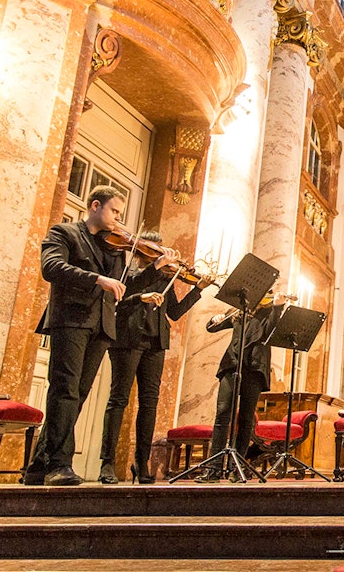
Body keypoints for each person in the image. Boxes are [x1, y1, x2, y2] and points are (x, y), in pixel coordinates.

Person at [26, 186, 176, 486]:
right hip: (71, 319)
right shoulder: (65, 233)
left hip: (102, 327)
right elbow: (52, 267)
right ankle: (59, 464)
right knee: (65, 390)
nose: (119, 220)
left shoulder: (114, 249)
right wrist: (96, 278)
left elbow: (126, 286)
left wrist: (156, 269)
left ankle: (39, 463)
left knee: (77, 393)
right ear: (95, 206)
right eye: (115, 212)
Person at [99, 232, 212, 484]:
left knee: (149, 403)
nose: (159, 256)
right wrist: (141, 297)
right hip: (127, 340)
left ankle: (142, 461)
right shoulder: (126, 270)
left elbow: (174, 312)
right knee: (118, 400)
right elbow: (114, 300)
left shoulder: (163, 278)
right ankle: (107, 463)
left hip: (155, 343)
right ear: (141, 251)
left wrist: (197, 290)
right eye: (153, 252)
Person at [195, 293, 289, 482]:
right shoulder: (239, 312)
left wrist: (278, 307)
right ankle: (213, 468)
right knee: (222, 413)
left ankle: (235, 468)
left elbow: (269, 332)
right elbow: (211, 328)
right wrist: (215, 319)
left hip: (254, 368)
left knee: (246, 418)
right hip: (232, 364)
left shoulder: (269, 312)